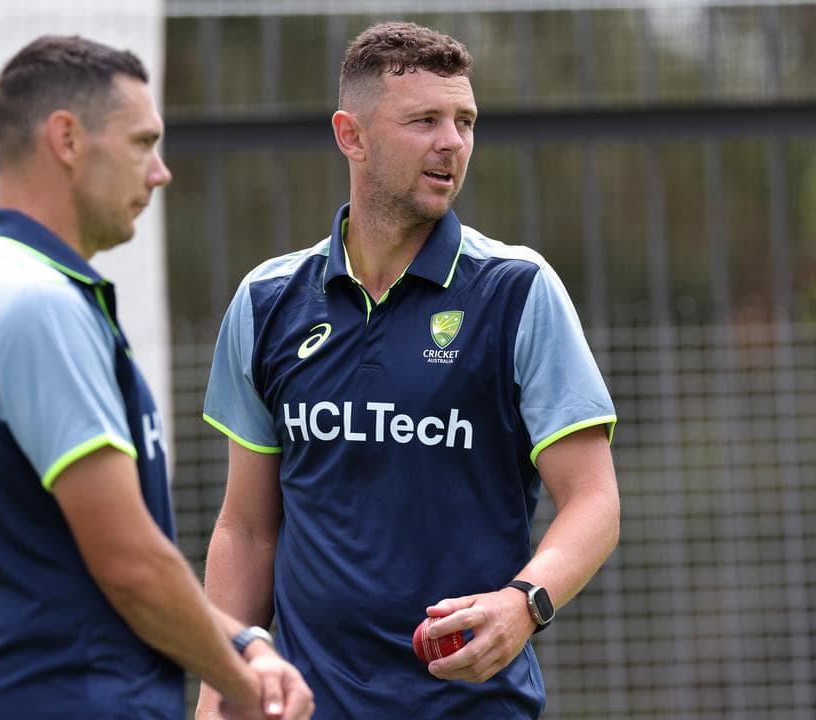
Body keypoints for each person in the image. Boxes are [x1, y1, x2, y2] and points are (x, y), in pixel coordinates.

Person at [196, 21, 621, 719]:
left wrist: (525, 603)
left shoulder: (516, 290)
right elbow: (248, 529)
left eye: (465, 121)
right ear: (351, 135)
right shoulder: (268, 301)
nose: (452, 142)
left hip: (471, 707)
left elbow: (594, 502)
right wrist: (218, 692)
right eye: (424, 120)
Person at [0, 35, 314, 720]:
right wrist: (240, 685)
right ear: (67, 138)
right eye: (141, 142)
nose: (160, 172)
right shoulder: (37, 303)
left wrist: (244, 641)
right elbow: (127, 562)